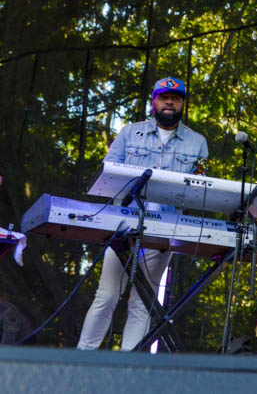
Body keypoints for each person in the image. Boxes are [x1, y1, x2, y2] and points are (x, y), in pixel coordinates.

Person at [77, 76, 209, 351]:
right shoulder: (129, 132)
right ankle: (83, 360)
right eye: (164, 97)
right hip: (123, 225)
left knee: (143, 302)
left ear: (183, 103)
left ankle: (129, 372)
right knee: (107, 295)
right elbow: (107, 173)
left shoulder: (197, 142)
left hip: (163, 231)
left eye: (175, 98)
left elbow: (198, 189)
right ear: (155, 102)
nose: (169, 101)